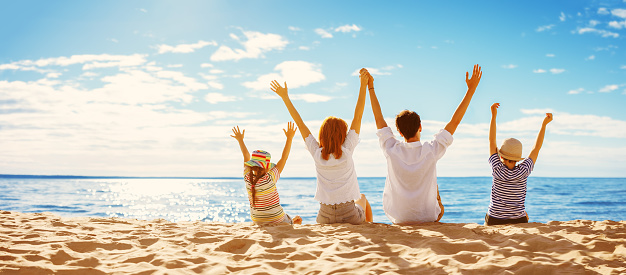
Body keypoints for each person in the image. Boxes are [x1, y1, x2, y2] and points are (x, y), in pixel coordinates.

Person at [367, 64, 483, 224]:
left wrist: (371, 87)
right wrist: (471, 90)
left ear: (400, 133)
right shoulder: (431, 149)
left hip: (398, 218)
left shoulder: (391, 149)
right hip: (428, 217)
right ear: (420, 127)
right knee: (434, 187)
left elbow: (378, 119)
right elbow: (455, 121)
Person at [270, 70, 373, 224]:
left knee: (358, 202)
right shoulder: (347, 149)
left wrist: (285, 98)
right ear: (342, 136)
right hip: (349, 215)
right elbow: (358, 115)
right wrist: (363, 86)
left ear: (322, 136)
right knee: (363, 198)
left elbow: (300, 123)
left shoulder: (317, 153)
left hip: (324, 216)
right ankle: (369, 227)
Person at [485, 103, 553, 226]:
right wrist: (544, 125)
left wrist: (493, 116)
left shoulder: (496, 167)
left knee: (491, 214)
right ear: (518, 159)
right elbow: (536, 148)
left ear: (501, 156)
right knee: (523, 214)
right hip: (518, 220)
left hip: (495, 219)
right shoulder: (524, 170)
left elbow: (491, 140)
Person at [231, 122, 302, 225]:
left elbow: (245, 155)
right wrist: (289, 138)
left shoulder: (247, 177)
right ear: (266, 167)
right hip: (276, 218)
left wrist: (240, 140)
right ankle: (292, 221)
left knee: (289, 219)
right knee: (296, 220)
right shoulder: (270, 177)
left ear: (252, 165)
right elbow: (284, 158)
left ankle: (291, 220)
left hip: (257, 219)